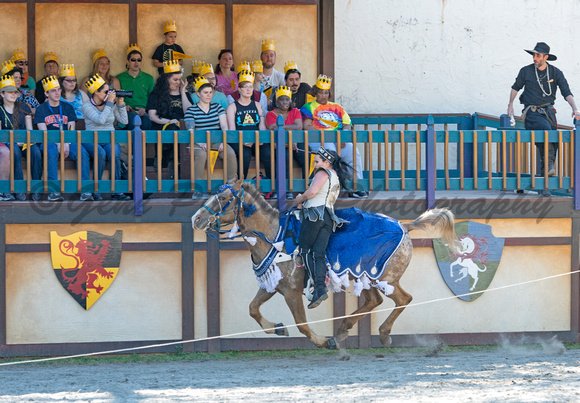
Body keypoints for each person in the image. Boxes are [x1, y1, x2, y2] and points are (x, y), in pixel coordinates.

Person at [508, 42, 580, 179]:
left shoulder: (555, 72)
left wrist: (575, 109)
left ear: (545, 57)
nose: (534, 58)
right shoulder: (526, 71)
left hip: (549, 113)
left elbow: (567, 92)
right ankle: (548, 168)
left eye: (538, 55)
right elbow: (515, 87)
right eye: (534, 55)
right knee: (545, 130)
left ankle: (545, 180)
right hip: (532, 112)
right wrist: (510, 104)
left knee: (554, 140)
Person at [295, 147, 352, 309]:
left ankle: (318, 289)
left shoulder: (322, 172)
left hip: (314, 215)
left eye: (317, 162)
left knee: (304, 249)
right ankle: (320, 288)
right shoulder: (335, 176)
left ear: (326, 162)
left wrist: (300, 198)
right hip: (328, 217)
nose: (315, 165)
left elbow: (312, 192)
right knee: (318, 254)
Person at [301, 74, 367, 198]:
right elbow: (307, 126)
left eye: (326, 93)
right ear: (316, 92)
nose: (323, 95)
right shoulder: (308, 107)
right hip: (319, 138)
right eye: (321, 92)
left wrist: (343, 136)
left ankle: (356, 187)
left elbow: (347, 124)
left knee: (352, 150)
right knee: (329, 148)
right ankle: (331, 187)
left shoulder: (337, 107)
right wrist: (328, 136)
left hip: (338, 139)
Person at [184, 76, 237, 197]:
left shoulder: (218, 107)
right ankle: (197, 190)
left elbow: (224, 126)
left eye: (210, 92)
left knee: (230, 153)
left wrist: (224, 141)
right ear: (198, 94)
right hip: (197, 141)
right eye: (205, 92)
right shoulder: (191, 110)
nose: (209, 95)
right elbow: (191, 130)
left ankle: (231, 187)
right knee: (201, 154)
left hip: (217, 140)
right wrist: (201, 143)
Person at [80, 74, 131, 201]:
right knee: (100, 153)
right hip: (92, 139)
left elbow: (124, 121)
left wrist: (120, 103)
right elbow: (100, 120)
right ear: (96, 92)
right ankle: (96, 190)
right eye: (106, 92)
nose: (109, 94)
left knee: (114, 153)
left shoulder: (110, 105)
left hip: (109, 139)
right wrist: (110, 103)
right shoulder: (86, 106)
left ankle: (117, 190)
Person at [33, 76, 77, 202]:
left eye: (58, 89)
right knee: (50, 151)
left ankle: (86, 191)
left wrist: (66, 143)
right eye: (53, 90)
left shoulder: (68, 107)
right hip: (49, 142)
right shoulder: (41, 109)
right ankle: (54, 191)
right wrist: (59, 143)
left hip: (67, 141)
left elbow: (71, 129)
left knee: (82, 152)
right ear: (46, 93)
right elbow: (44, 133)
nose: (57, 93)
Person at [225, 70, 270, 181]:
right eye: (245, 87)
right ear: (239, 89)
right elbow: (232, 130)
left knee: (268, 153)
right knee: (244, 155)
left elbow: (262, 127)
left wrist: (257, 140)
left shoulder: (259, 106)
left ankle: (270, 185)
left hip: (256, 139)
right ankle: (240, 185)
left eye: (250, 86)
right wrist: (243, 141)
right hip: (239, 140)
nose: (248, 89)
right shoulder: (232, 107)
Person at [266, 85, 307, 194]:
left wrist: (281, 127)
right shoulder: (270, 114)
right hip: (280, 144)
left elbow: (298, 126)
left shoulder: (295, 111)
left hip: (296, 142)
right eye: (281, 99)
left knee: (306, 155)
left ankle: (308, 187)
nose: (284, 102)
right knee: (285, 157)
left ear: (290, 101)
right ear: (276, 101)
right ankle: (286, 190)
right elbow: (273, 128)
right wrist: (289, 138)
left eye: (287, 99)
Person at [147, 60, 185, 176]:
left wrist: (183, 92)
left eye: (179, 79)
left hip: (181, 128)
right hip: (162, 126)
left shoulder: (184, 93)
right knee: (171, 130)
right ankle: (167, 161)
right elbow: (152, 116)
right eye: (175, 79)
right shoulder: (155, 95)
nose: (178, 82)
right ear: (166, 79)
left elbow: (189, 112)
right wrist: (168, 121)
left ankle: (176, 163)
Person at [0, 75, 33, 201]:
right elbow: (0, 135)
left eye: (15, 92)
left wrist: (25, 141)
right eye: (10, 92)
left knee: (35, 152)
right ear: (2, 94)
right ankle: (18, 189)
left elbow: (30, 130)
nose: (13, 94)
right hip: (9, 142)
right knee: (14, 151)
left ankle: (36, 189)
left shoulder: (23, 107)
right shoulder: (0, 110)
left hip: (25, 141)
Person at [117, 44, 155, 130]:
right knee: (132, 118)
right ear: (128, 61)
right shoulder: (120, 78)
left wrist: (146, 109)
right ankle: (132, 143)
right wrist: (123, 107)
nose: (136, 62)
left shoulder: (149, 78)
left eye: (139, 60)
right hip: (128, 110)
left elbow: (153, 98)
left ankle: (144, 144)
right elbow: (116, 97)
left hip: (143, 110)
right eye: (133, 60)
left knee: (147, 120)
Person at [59, 64, 89, 129]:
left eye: (74, 80)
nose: (72, 83)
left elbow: (90, 111)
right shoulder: (56, 95)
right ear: (61, 81)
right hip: (63, 127)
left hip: (82, 127)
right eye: (69, 80)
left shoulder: (81, 94)